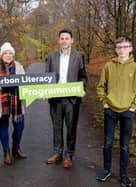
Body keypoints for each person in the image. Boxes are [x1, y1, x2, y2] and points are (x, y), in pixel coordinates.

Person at [95, 36, 136, 187]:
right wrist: (104, 102)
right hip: (110, 110)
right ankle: (106, 170)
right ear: (116, 49)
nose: (122, 50)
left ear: (130, 48)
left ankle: (124, 176)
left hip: (127, 112)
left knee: (124, 146)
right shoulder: (108, 66)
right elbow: (100, 86)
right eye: (119, 47)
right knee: (108, 143)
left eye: (125, 47)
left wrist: (133, 107)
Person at [45, 28, 88, 168]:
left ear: (72, 40)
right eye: (62, 38)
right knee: (57, 127)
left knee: (71, 128)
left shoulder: (78, 56)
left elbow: (83, 77)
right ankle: (57, 153)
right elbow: (47, 77)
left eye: (67, 38)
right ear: (59, 40)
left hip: (72, 100)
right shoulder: (51, 57)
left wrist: (81, 88)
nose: (64, 40)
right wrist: (46, 91)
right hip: (55, 99)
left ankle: (69, 155)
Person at [0, 42, 27, 165]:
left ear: (13, 55)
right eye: (5, 53)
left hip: (16, 102)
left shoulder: (18, 66)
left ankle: (16, 148)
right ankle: (6, 152)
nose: (8, 55)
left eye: (10, 53)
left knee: (20, 127)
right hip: (1, 103)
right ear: (1, 55)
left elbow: (26, 80)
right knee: (3, 127)